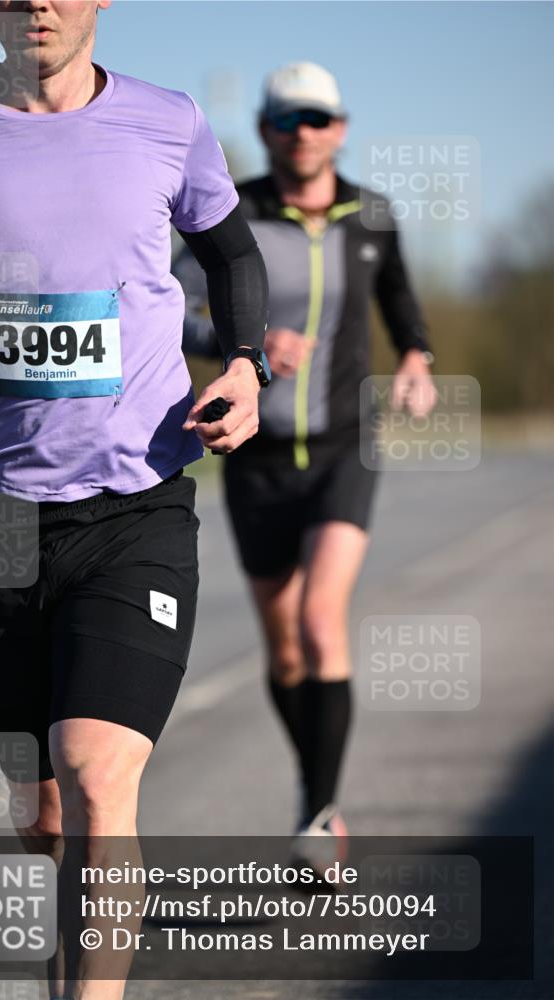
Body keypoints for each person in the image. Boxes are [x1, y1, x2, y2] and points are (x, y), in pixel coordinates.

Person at [0, 2, 270, 996]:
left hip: (134, 507)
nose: (38, 4)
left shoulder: (167, 121)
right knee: (44, 808)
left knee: (100, 779)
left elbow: (232, 254)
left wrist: (242, 363)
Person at [174, 61, 437, 858]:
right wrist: (240, 345)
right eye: (287, 119)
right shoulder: (233, 215)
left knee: (322, 620)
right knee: (284, 644)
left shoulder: (373, 216)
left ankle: (319, 816)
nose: (303, 133)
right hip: (253, 454)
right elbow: (174, 307)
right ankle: (312, 784)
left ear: (341, 128)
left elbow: (398, 298)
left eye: (317, 119)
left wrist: (418, 355)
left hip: (342, 447)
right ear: (264, 130)